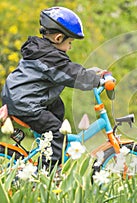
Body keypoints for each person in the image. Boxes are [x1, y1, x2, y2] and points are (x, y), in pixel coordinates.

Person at [1, 6, 106, 171]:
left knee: (57, 108)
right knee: (55, 132)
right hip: (25, 103)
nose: (70, 47)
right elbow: (70, 74)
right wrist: (95, 80)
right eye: (69, 43)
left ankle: (46, 145)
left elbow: (70, 70)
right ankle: (49, 172)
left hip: (23, 96)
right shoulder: (50, 58)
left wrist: (92, 74)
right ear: (58, 38)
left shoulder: (43, 51)